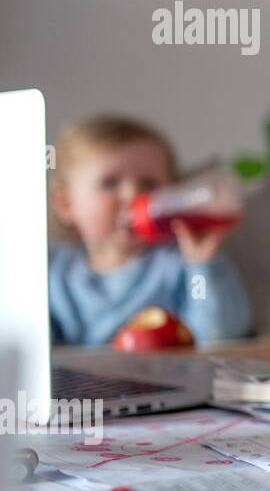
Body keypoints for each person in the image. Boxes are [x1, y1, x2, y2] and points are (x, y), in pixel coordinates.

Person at [49, 115, 251, 345]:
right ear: (66, 205)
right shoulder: (54, 272)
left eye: (149, 184)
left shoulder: (178, 263)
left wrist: (203, 265)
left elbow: (219, 333)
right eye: (110, 183)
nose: (134, 196)